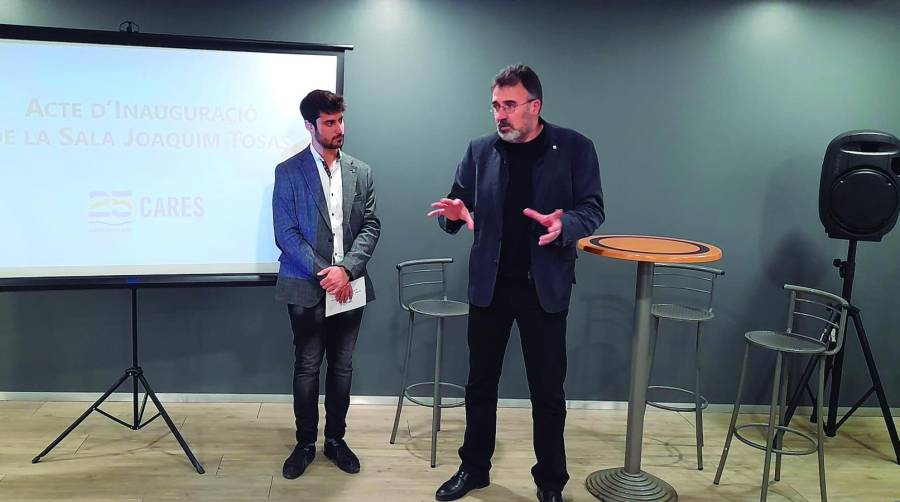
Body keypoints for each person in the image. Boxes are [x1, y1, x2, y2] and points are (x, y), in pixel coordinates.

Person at [427, 64, 604, 502]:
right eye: (495, 106)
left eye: (510, 105)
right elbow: (459, 204)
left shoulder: (575, 148)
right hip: (490, 286)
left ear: (535, 106)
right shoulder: (479, 150)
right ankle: (474, 469)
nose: (500, 114)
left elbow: (593, 209)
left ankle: (549, 483)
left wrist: (565, 224)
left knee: (547, 393)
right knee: (480, 384)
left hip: (543, 289)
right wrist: (454, 215)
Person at [272, 89, 380, 479]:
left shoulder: (361, 171)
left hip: (349, 286)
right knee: (307, 366)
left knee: (343, 367)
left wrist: (347, 270)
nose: (338, 129)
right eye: (330, 123)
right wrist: (327, 273)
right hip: (305, 286)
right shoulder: (288, 172)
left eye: (340, 121)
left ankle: (335, 440)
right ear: (310, 125)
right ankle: (305, 444)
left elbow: (370, 226)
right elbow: (286, 234)